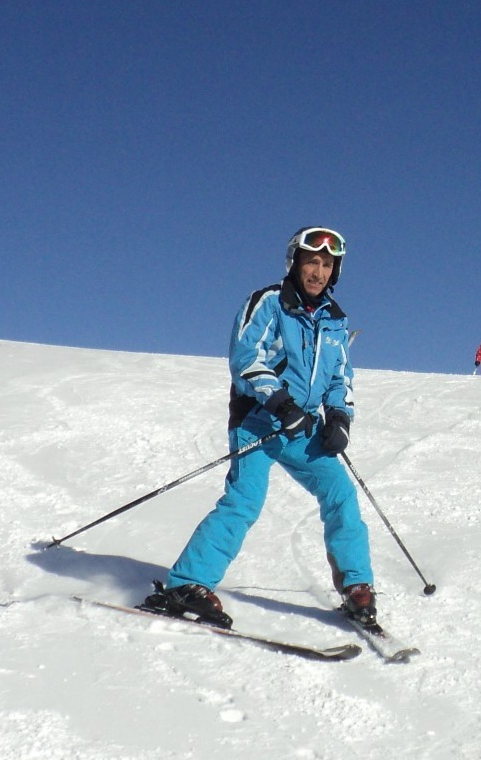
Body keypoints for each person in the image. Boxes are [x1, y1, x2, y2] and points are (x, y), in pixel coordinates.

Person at [146, 226, 379, 628]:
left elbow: (340, 377)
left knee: (340, 493)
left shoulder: (335, 322)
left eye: (327, 265)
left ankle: (356, 586)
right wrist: (279, 401)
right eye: (312, 262)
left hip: (302, 426)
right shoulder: (268, 303)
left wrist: (339, 417)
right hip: (259, 420)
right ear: (296, 263)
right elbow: (246, 357)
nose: (318, 272)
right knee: (245, 500)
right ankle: (186, 584)